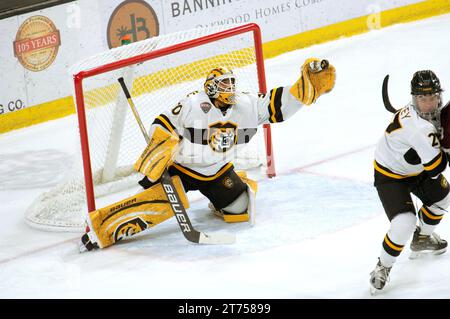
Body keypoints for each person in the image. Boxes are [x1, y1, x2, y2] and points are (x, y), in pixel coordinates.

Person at [80, 58, 336, 251]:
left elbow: (275, 105)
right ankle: (99, 229)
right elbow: (162, 123)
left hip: (217, 172)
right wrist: (161, 147)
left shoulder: (246, 105)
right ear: (211, 87)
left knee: (241, 210)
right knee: (160, 204)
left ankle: (227, 191)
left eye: (232, 82)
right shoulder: (192, 104)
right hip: (183, 168)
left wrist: (302, 90)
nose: (230, 87)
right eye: (225, 83)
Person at [370, 70, 449, 292]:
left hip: (415, 167)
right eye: (422, 99)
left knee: (444, 198)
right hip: (390, 174)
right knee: (404, 223)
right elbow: (436, 168)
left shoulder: (428, 117)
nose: (429, 104)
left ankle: (422, 238)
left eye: (432, 97)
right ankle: (382, 267)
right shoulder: (419, 129)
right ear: (414, 99)